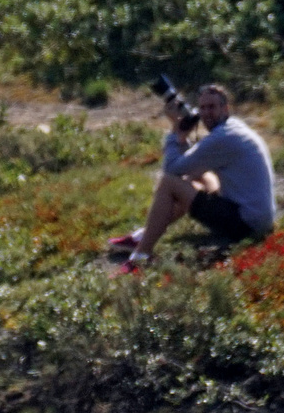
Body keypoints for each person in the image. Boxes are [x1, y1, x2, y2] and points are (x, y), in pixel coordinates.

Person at [109, 83, 275, 273]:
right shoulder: (234, 127)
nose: (206, 113)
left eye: (212, 107)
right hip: (257, 218)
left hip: (246, 224)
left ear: (225, 108)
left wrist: (174, 132)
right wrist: (182, 140)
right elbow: (190, 165)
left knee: (169, 183)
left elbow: (172, 170)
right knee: (199, 176)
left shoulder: (223, 137)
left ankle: (141, 256)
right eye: (202, 108)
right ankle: (142, 235)